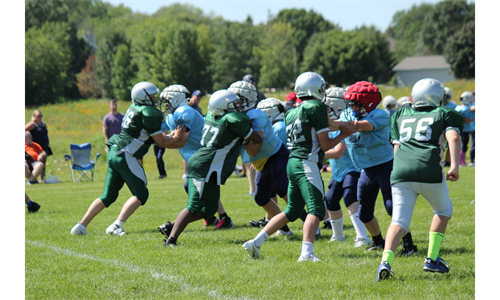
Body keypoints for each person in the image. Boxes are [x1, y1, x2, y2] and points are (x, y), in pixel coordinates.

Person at [243, 71, 356, 262]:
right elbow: (326, 145)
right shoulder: (317, 107)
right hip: (307, 163)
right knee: (316, 210)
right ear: (315, 89)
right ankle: (307, 253)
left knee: (292, 211)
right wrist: (345, 135)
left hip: (293, 162)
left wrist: (350, 125)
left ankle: (256, 242)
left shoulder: (292, 112)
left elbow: (331, 124)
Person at [70, 81, 187, 236]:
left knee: (108, 195)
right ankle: (116, 225)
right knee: (141, 193)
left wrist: (170, 137)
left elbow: (150, 135)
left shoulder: (135, 108)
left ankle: (80, 226)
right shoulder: (149, 112)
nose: (154, 99)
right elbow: (160, 142)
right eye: (152, 96)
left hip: (114, 151)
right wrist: (177, 137)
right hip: (126, 153)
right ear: (143, 97)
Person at [376, 78, 464, 282]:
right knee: (443, 210)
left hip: (400, 171)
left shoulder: (399, 114)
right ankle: (432, 259)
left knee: (399, 221)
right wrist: (454, 166)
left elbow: (397, 148)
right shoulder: (444, 113)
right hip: (428, 169)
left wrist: (399, 171)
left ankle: (385, 262)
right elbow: (454, 137)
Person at [162, 89, 263, 246]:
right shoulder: (232, 119)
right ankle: (171, 240)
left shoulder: (212, 115)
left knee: (209, 210)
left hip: (211, 167)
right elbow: (257, 138)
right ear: (223, 106)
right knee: (194, 205)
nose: (236, 105)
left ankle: (172, 227)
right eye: (232, 103)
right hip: (204, 166)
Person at [331, 81, 417, 254]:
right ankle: (378, 241)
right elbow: (341, 123)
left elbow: (359, 126)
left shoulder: (381, 115)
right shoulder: (349, 112)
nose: (352, 107)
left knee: (392, 207)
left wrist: (325, 120)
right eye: (351, 104)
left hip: (385, 166)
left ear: (369, 104)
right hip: (366, 169)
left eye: (356, 104)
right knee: (364, 214)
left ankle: (409, 245)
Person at [156, 84, 234, 232]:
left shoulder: (184, 112)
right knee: (204, 189)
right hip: (196, 156)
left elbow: (180, 141)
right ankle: (215, 218)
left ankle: (222, 219)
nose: (166, 104)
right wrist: (162, 140)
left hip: (205, 156)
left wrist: (162, 141)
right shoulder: (174, 114)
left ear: (177, 99)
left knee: (200, 189)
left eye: (168, 100)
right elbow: (174, 138)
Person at [228, 81, 294, 234]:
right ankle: (283, 228)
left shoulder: (255, 114)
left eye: (237, 99)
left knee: (282, 189)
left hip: (275, 155)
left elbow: (255, 147)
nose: (234, 104)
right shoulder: (239, 116)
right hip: (263, 160)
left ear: (247, 99)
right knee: (261, 197)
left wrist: (244, 137)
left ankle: (309, 221)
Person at [322, 87, 370, 247]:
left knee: (350, 197)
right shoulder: (332, 124)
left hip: (352, 167)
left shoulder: (345, 121)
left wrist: (317, 155)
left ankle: (362, 236)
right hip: (339, 170)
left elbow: (338, 151)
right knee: (330, 199)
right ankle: (338, 235)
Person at [24, 110, 52, 180]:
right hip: (35, 146)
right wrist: (28, 138)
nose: (40, 117)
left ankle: (42, 178)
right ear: (34, 116)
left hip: (44, 145)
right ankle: (33, 178)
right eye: (38, 116)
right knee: (35, 162)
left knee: (43, 161)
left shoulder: (43, 124)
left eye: (41, 115)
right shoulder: (32, 124)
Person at [455, 91, 476, 166]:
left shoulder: (458, 107)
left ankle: (461, 162)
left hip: (458, 129)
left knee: (460, 145)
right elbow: (467, 121)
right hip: (465, 130)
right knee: (464, 146)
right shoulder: (466, 109)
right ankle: (461, 162)